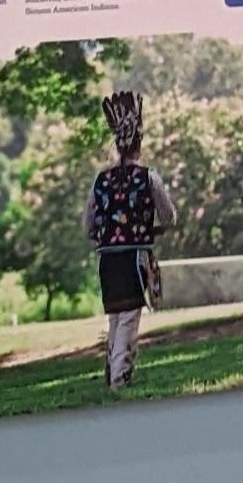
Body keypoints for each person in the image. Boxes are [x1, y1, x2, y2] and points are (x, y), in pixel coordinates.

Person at [85, 89, 178, 391]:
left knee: (115, 317)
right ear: (139, 142)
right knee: (127, 320)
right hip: (134, 259)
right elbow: (169, 217)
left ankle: (115, 368)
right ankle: (119, 378)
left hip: (107, 260)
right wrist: (153, 231)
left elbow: (88, 225)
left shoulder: (100, 181)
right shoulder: (148, 177)